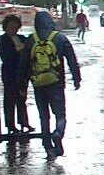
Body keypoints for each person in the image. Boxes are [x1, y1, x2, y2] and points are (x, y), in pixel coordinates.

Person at [25, 10, 82, 157]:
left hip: (38, 84)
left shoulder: (31, 40)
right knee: (60, 114)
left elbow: (24, 64)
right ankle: (58, 133)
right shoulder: (60, 38)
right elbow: (72, 61)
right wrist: (76, 79)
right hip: (56, 83)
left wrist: (21, 85)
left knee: (43, 116)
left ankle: (47, 146)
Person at [0, 14, 33, 135]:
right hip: (9, 73)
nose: (13, 29)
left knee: (22, 99)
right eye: (11, 27)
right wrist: (18, 49)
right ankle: (10, 125)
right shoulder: (1, 40)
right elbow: (5, 56)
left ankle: (24, 122)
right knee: (9, 100)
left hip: (22, 73)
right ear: (6, 27)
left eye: (16, 27)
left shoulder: (22, 38)